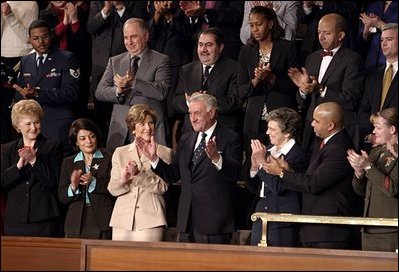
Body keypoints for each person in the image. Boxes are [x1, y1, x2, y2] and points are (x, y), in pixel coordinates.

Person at [138, 93, 242, 244]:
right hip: (187, 221)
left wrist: (217, 159)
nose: (192, 118)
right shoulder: (186, 139)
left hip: (215, 223)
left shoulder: (230, 138)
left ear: (212, 112)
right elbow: (173, 175)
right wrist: (154, 159)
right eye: (190, 114)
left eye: (197, 113)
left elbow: (234, 174)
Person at [264, 102, 362, 249]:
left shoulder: (338, 148)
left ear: (330, 126)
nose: (312, 124)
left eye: (316, 121)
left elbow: (314, 184)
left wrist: (281, 172)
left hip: (329, 231)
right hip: (316, 227)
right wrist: (289, 171)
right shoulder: (325, 142)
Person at [288, 13, 364, 160]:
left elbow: (350, 100)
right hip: (311, 130)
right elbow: (302, 102)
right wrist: (303, 90)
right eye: (319, 32)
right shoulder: (312, 58)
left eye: (327, 33)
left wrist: (321, 89)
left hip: (335, 130)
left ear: (340, 35)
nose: (321, 37)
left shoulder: (352, 60)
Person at [238, 6, 299, 180]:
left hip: (281, 119)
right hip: (253, 120)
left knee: (278, 166)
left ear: (270, 24)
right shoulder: (246, 51)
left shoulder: (288, 48)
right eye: (251, 25)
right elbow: (241, 90)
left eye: (259, 24)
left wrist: (271, 78)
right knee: (254, 167)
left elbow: (295, 87)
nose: (255, 29)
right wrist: (256, 80)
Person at [95, 17, 171, 152]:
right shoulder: (115, 61)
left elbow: (161, 91)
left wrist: (133, 83)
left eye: (133, 37)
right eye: (126, 37)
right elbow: (100, 92)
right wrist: (118, 90)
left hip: (149, 131)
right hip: (121, 131)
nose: (129, 42)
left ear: (146, 36)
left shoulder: (161, 60)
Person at [12, 19, 81, 157]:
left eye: (44, 37)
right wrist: (22, 95)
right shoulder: (26, 61)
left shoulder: (67, 58)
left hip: (58, 125)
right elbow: (21, 93)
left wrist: (38, 94)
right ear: (30, 40)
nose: (41, 42)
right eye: (36, 38)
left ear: (50, 35)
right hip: (33, 128)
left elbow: (71, 93)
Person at [107, 104, 172, 242]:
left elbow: (162, 187)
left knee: (147, 262)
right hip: (122, 219)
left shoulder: (164, 152)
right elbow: (112, 189)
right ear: (133, 128)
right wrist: (123, 181)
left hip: (151, 219)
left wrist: (138, 175)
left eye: (151, 123)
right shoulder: (120, 152)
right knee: (118, 262)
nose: (148, 128)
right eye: (142, 124)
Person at [87, 1, 148, 145]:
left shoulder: (136, 3)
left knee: (123, 107)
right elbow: (90, 27)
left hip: (125, 62)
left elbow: (142, 27)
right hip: (100, 64)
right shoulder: (97, 2)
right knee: (100, 108)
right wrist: (106, 10)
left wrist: (120, 7)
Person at [1, 99, 63, 237]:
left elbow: (53, 181)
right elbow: (2, 183)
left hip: (44, 218)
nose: (33, 128)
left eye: (36, 122)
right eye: (28, 123)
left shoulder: (52, 146)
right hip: (15, 219)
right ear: (18, 127)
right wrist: (18, 167)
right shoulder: (7, 149)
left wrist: (34, 160)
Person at [248, 107, 307, 247]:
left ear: (287, 133)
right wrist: (254, 167)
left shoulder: (296, 155)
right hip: (260, 216)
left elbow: (278, 187)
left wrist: (262, 162)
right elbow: (252, 188)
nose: (267, 132)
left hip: (282, 220)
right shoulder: (267, 150)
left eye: (272, 129)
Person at [173, 27, 242, 136]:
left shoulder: (234, 68)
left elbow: (235, 102)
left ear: (220, 47)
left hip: (222, 132)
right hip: (191, 133)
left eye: (209, 45)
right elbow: (176, 101)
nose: (203, 49)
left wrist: (207, 101)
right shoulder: (186, 70)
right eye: (200, 45)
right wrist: (190, 101)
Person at [347, 107, 398, 252]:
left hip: (391, 231)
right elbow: (360, 190)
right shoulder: (377, 152)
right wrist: (359, 172)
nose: (374, 132)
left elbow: (392, 189)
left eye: (378, 127)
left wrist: (369, 167)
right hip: (369, 227)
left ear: (392, 129)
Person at [58, 118, 115, 239]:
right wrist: (73, 186)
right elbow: (62, 196)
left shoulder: (109, 158)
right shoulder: (68, 163)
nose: (88, 141)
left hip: (102, 220)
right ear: (76, 142)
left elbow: (115, 188)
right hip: (76, 222)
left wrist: (93, 182)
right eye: (82, 138)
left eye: (92, 136)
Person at [39, 1, 92, 118]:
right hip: (53, 68)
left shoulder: (82, 12)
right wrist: (64, 24)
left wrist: (74, 21)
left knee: (79, 108)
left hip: (78, 67)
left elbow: (85, 43)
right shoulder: (44, 14)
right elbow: (43, 41)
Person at [1, 1, 39, 144]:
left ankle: (24, 145)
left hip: (22, 57)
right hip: (2, 58)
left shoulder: (31, 4)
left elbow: (29, 38)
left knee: (21, 106)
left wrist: (9, 15)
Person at [358, 23, 398, 152]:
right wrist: (370, 135)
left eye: (389, 39)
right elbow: (364, 110)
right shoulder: (372, 74)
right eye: (382, 40)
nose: (384, 43)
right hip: (373, 144)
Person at [179, 1, 244, 61]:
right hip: (200, 44)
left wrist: (206, 13)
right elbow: (198, 13)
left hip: (225, 46)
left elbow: (235, 14)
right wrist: (192, 13)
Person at [358, 1, 398, 72]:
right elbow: (361, 40)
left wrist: (380, 25)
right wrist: (367, 29)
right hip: (370, 61)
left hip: (392, 62)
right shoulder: (373, 6)